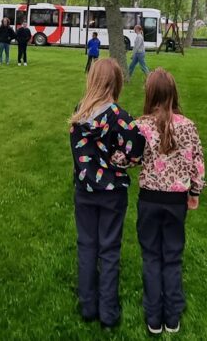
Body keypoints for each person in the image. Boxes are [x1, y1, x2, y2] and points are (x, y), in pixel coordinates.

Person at [70, 58, 146, 329]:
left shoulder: (78, 114)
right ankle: (108, 311)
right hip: (112, 194)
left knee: (87, 245)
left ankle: (89, 306)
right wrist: (121, 159)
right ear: (116, 83)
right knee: (109, 248)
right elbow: (137, 150)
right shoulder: (120, 118)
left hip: (85, 191)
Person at [133, 69, 205, 335]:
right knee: (172, 257)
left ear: (150, 93)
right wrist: (194, 192)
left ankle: (154, 317)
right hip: (176, 201)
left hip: (150, 199)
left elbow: (129, 158)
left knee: (152, 256)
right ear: (173, 93)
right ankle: (171, 316)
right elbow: (197, 163)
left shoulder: (141, 126)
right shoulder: (187, 126)